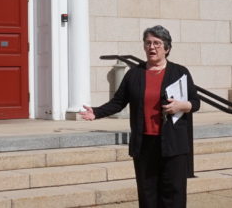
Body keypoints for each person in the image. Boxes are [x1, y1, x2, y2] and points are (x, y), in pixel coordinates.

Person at [80, 25, 199, 208]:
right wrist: (96, 112)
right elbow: (118, 102)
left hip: (173, 143)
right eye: (148, 43)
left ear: (167, 48)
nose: (152, 47)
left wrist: (182, 105)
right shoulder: (134, 74)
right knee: (147, 192)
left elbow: (195, 102)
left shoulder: (179, 72)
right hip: (144, 143)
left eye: (157, 43)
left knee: (173, 192)